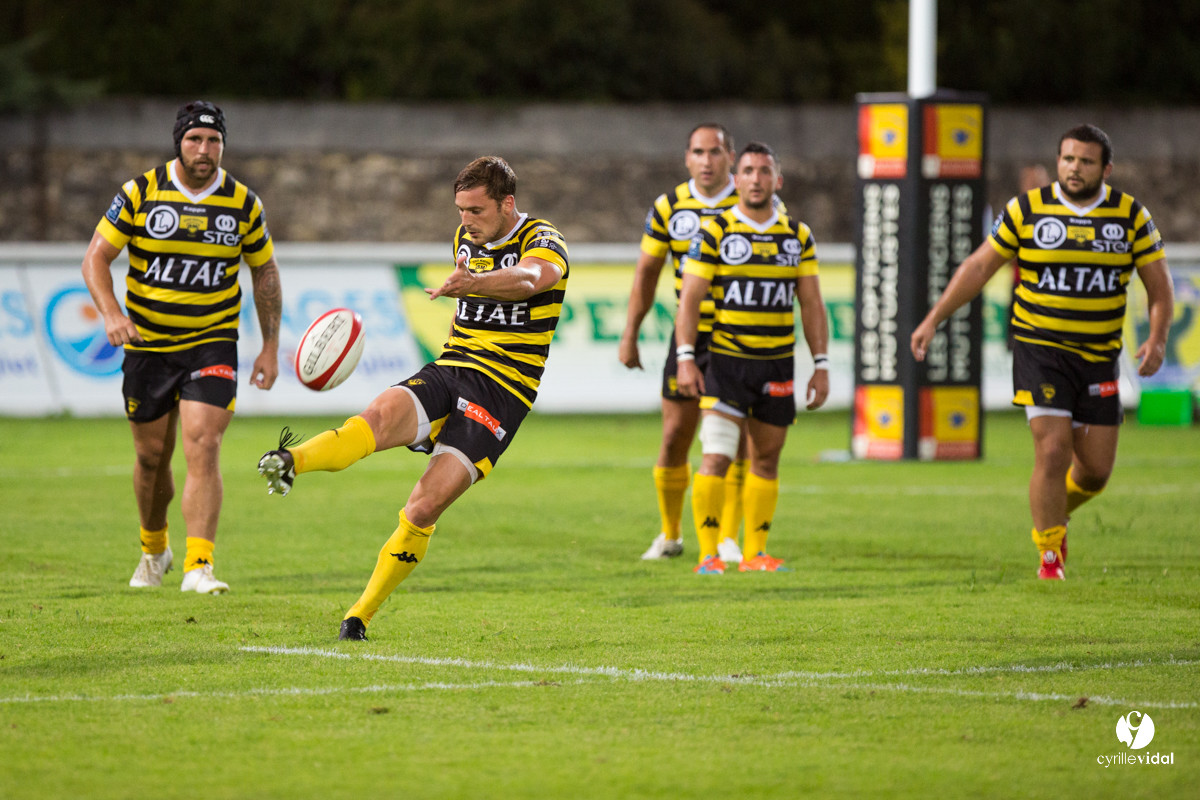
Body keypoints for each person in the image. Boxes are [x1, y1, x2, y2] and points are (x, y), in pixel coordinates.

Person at [257, 156, 569, 640]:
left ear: (508, 204)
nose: (466, 220)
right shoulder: (466, 239)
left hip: (502, 391)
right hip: (452, 367)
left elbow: (532, 279)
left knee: (423, 508)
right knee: (377, 417)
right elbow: (467, 304)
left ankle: (358, 616)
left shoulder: (543, 239)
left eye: (476, 210)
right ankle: (289, 460)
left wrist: (476, 283)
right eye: (460, 210)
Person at [912, 124, 1174, 580]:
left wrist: (1158, 336)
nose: (1075, 168)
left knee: (1095, 472)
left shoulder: (1130, 216)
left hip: (1099, 356)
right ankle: (1050, 555)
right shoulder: (1027, 210)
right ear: (1058, 161)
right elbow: (979, 266)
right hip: (1040, 349)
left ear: (1106, 169)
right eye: (1068, 159)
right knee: (1053, 451)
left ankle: (1054, 511)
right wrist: (934, 318)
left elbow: (1159, 286)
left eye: (1086, 161)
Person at [81, 100, 283, 594]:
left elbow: (265, 272)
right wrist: (112, 314)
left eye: (214, 140)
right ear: (179, 143)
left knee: (204, 444)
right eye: (195, 139)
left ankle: (199, 565)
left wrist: (270, 346)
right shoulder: (140, 192)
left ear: (223, 146)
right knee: (152, 457)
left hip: (212, 342)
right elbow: (95, 259)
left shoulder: (243, 203)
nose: (204, 149)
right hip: (147, 345)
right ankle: (155, 550)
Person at [619, 124, 785, 564]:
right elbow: (647, 273)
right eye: (698, 152)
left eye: (715, 152)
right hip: (689, 337)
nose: (707, 161)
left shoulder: (758, 200)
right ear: (686, 158)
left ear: (730, 156)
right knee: (676, 435)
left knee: (739, 441)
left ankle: (727, 538)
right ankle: (670, 534)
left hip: (740, 337)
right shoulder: (669, 207)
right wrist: (630, 332)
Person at [675, 142, 830, 574]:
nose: (756, 179)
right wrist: (686, 357)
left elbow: (812, 304)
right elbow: (690, 300)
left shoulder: (798, 236)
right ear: (736, 179)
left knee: (766, 459)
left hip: (777, 364)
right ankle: (708, 555)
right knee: (716, 456)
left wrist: (821, 365)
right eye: (747, 171)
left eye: (764, 171)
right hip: (727, 362)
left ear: (778, 180)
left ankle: (755, 553)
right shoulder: (715, 232)